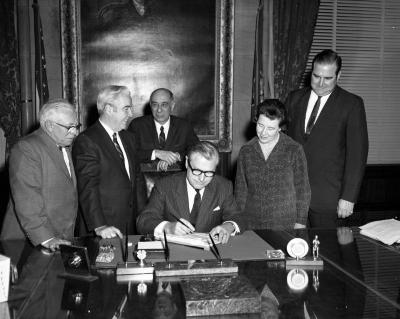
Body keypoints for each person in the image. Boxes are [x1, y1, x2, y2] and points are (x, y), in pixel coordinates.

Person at [286, 49, 369, 228]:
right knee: (292, 250)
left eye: (328, 78)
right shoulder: (294, 98)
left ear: (339, 75)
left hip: (329, 200)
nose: (321, 83)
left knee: (327, 253)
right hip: (291, 197)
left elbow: (357, 155)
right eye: (316, 76)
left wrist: (348, 197)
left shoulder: (352, 104)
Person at [1, 99, 79, 251]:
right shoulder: (27, 148)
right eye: (70, 127)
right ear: (49, 125)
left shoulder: (62, 145)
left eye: (76, 126)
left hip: (60, 238)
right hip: (31, 242)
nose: (75, 132)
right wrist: (47, 238)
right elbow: (27, 198)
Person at [72, 85, 146, 238]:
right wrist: (99, 226)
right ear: (109, 109)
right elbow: (88, 187)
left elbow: (137, 180)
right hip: (104, 228)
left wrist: (144, 218)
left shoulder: (129, 138)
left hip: (130, 226)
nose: (131, 114)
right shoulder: (87, 140)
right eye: (126, 109)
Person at [136, 141, 241, 244]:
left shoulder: (223, 186)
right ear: (186, 163)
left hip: (210, 254)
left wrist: (228, 227)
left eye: (209, 173)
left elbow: (236, 216)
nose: (201, 178)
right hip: (175, 252)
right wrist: (167, 227)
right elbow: (143, 221)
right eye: (197, 171)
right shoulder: (165, 186)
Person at [235, 99, 311, 230]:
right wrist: (237, 221)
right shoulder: (246, 151)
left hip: (285, 223)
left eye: (271, 128)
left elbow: (303, 190)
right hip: (251, 223)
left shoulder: (293, 149)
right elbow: (241, 191)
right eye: (260, 125)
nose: (263, 133)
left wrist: (300, 222)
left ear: (280, 127)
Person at [128, 88, 199, 171]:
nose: (159, 110)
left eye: (164, 105)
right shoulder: (137, 125)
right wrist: (156, 153)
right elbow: (129, 152)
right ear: (151, 106)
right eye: (155, 105)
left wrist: (176, 156)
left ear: (172, 106)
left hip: (177, 178)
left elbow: (197, 149)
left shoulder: (184, 126)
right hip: (144, 179)